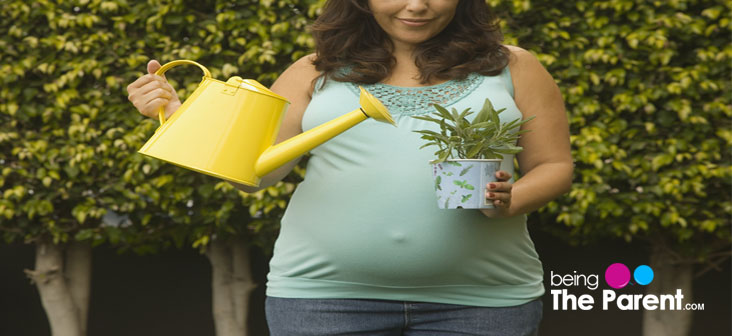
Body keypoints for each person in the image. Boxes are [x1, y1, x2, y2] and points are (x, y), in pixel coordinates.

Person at [127, 0, 572, 335]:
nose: (416, 5)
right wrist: (181, 115)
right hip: (322, 301)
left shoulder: (513, 67)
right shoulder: (313, 71)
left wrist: (509, 201)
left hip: (482, 302)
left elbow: (553, 165)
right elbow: (254, 173)